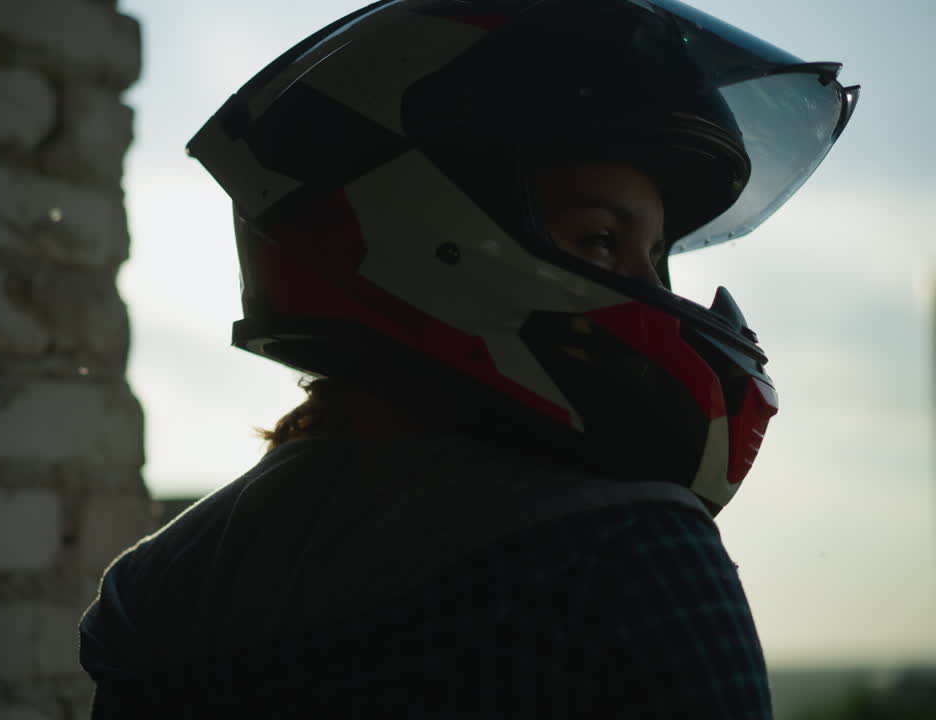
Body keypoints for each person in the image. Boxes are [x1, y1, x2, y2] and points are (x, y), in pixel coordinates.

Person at [79, 1, 859, 717]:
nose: (650, 293)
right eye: (599, 239)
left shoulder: (154, 593)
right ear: (424, 222)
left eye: (656, 256)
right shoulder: (630, 551)